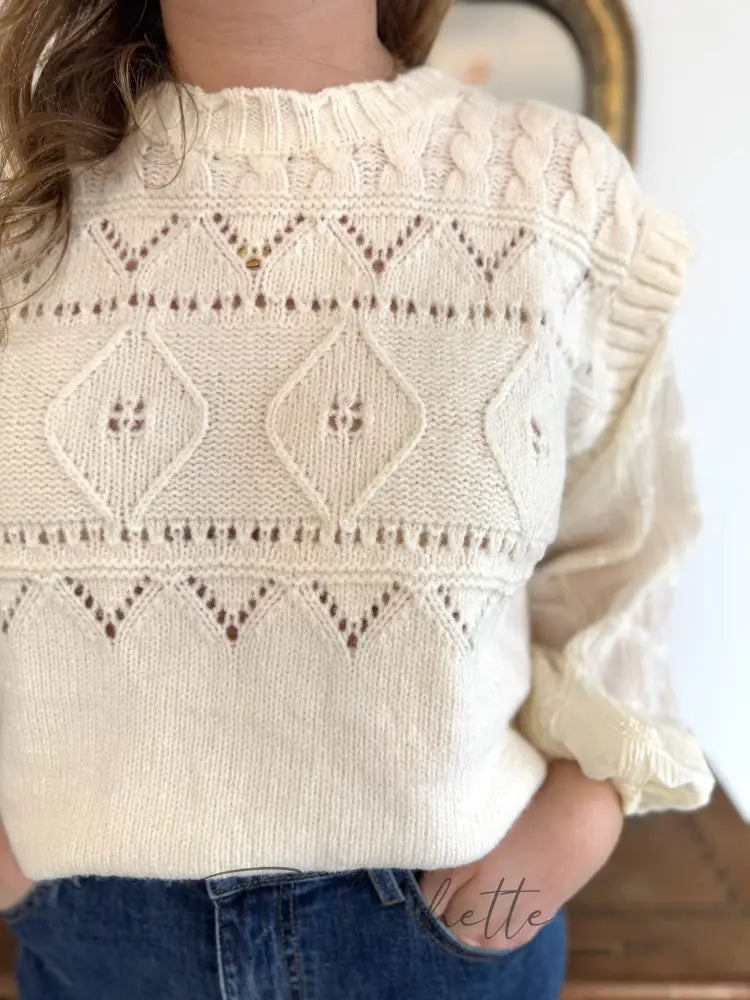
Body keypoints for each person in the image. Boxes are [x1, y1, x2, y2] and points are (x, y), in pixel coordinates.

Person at [0, 1, 715, 997]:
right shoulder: (22, 193)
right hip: (95, 937)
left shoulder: (554, 191)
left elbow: (625, 552)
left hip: (438, 939)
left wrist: (552, 851)